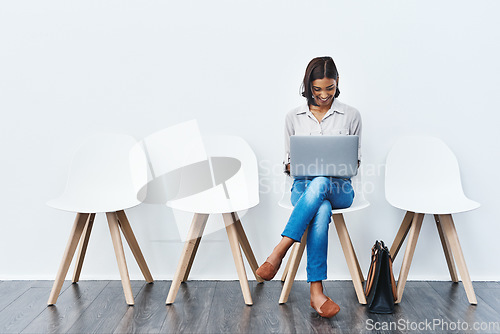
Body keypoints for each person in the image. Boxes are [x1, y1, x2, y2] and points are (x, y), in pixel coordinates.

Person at [256, 56, 362, 318]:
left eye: (330, 88)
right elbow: (288, 164)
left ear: (338, 84)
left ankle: (279, 250)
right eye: (317, 89)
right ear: (308, 86)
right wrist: (304, 168)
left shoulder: (351, 115)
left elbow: (354, 164)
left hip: (341, 188)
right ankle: (317, 293)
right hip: (303, 188)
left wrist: (327, 171)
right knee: (321, 208)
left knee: (324, 181)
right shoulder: (293, 117)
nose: (324, 95)